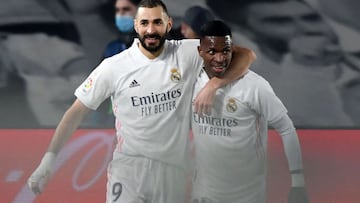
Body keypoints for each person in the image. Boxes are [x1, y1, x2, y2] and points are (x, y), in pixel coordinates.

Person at [27, 0, 255, 202]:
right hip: (129, 169)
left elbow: (244, 55)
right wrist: (48, 160)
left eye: (157, 22)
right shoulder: (114, 67)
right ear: (136, 26)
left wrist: (213, 85)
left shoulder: (186, 52)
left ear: (168, 25)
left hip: (173, 173)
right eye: (144, 23)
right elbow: (75, 112)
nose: (151, 29)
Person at [191, 20, 308, 203]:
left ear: (233, 49)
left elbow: (286, 129)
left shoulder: (255, 86)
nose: (220, 59)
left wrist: (298, 183)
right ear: (200, 52)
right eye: (212, 52)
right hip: (204, 194)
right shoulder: (191, 80)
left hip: (246, 196)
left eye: (225, 51)